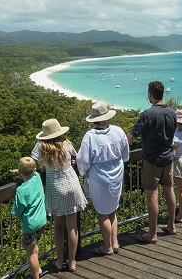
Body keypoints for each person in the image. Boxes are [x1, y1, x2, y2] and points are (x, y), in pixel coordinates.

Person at [31, 119, 87, 273]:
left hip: (56, 187)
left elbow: (39, 165)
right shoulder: (66, 143)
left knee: (59, 226)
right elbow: (75, 158)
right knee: (72, 226)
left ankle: (60, 260)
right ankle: (73, 261)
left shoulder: (41, 146)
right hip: (72, 185)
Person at [76, 102, 130, 256]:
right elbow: (125, 154)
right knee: (112, 210)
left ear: (94, 119)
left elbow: (84, 161)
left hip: (99, 178)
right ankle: (115, 242)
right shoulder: (118, 131)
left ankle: (107, 247)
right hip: (117, 174)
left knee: (102, 213)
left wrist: (80, 169)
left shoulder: (90, 136)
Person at [127, 81, 177, 243]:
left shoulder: (147, 114)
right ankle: (171, 225)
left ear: (150, 94)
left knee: (152, 194)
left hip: (151, 160)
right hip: (168, 159)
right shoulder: (172, 113)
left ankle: (152, 233)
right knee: (169, 190)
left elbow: (131, 136)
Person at [10, 157, 47, 279]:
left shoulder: (21, 190)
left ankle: (36, 275)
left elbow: (17, 211)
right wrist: (19, 171)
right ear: (34, 169)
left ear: (20, 172)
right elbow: (31, 171)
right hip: (41, 220)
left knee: (32, 253)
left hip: (30, 225)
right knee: (28, 244)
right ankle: (38, 268)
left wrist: (19, 219)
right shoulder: (37, 177)